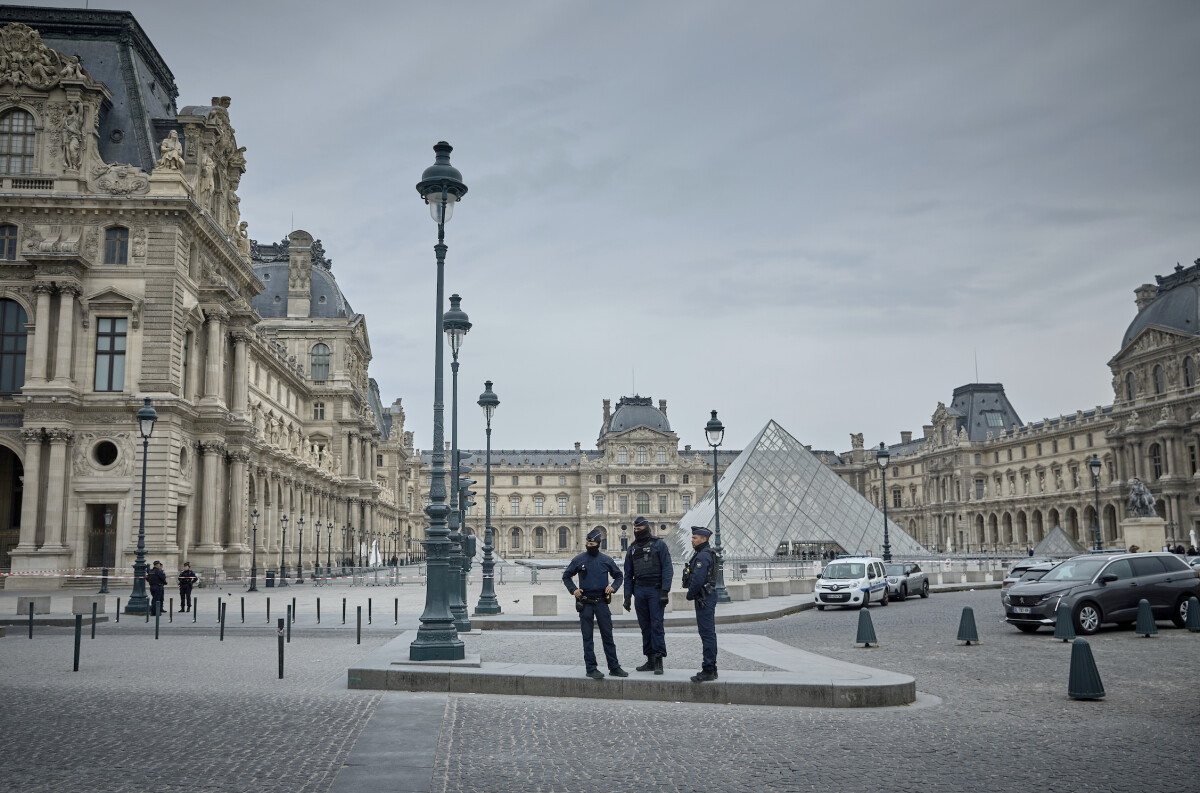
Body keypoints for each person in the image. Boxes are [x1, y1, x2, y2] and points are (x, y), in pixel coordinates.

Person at [562, 528, 627, 679]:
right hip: (585, 603)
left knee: (608, 636)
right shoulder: (579, 559)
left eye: (592, 543)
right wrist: (573, 590)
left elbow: (618, 576)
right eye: (588, 543)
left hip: (602, 602)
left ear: (598, 544)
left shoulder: (606, 560)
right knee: (587, 637)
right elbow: (566, 576)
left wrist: (613, 587)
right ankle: (591, 668)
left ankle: (614, 667)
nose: (589, 545)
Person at [623, 516, 672, 674]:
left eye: (640, 529)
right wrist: (627, 597)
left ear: (647, 528)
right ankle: (650, 659)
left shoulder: (659, 545)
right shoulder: (632, 549)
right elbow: (628, 574)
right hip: (640, 590)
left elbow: (667, 569)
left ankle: (658, 659)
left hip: (655, 590)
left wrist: (665, 591)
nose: (637, 532)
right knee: (645, 626)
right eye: (635, 530)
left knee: (656, 625)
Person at [683, 526, 719, 682]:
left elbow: (697, 579)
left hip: (704, 598)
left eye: (695, 538)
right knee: (708, 633)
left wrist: (690, 595)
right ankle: (712, 668)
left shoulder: (703, 557)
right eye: (692, 537)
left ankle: (709, 669)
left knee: (707, 634)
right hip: (707, 596)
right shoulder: (704, 554)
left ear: (704, 539)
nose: (692, 540)